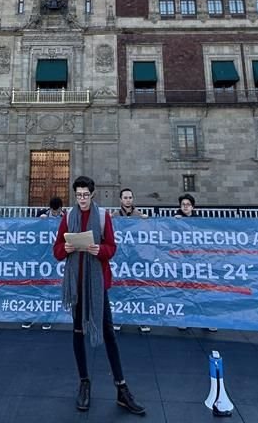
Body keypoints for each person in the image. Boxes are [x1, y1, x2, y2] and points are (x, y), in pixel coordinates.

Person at [53, 176, 145, 415]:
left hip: (97, 284)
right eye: (79, 195)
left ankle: (122, 388)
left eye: (85, 195)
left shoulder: (103, 218)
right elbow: (57, 251)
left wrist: (99, 249)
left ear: (92, 194)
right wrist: (67, 248)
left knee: (108, 334)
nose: (82, 199)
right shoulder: (68, 218)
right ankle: (84, 382)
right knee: (77, 333)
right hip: (76, 285)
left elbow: (112, 248)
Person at [173, 193, 216, 332]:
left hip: (198, 261)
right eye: (183, 205)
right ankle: (184, 319)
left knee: (201, 290)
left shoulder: (200, 221)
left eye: (187, 204)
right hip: (182, 261)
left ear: (192, 206)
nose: (185, 207)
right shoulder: (174, 220)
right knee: (184, 290)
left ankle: (205, 320)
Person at [112, 188, 150, 333]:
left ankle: (141, 320)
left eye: (130, 197)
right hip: (121, 258)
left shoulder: (140, 216)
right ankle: (119, 319)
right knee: (120, 289)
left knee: (139, 289)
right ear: (121, 200)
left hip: (136, 258)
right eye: (125, 197)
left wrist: (147, 222)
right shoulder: (114, 216)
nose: (128, 200)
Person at [25, 197, 65, 330]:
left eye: (57, 211)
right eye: (53, 211)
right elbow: (30, 232)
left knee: (52, 289)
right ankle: (30, 317)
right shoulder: (41, 214)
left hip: (56, 260)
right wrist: (38, 222)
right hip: (41, 258)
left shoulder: (66, 217)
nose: (55, 214)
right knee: (35, 287)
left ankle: (47, 318)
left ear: (60, 209)